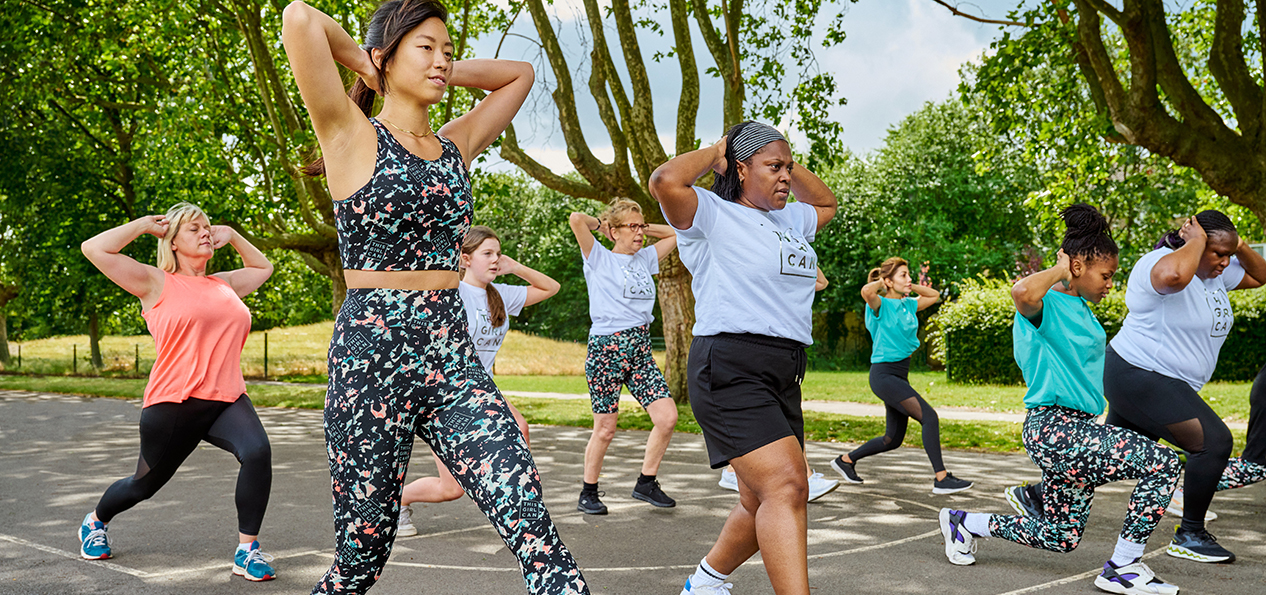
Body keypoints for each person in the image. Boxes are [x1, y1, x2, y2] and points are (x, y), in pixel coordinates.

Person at [281, 1, 588, 593]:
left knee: (528, 511)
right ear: (387, 54)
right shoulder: (349, 131)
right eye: (427, 47)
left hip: (450, 354)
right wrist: (370, 65)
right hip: (371, 356)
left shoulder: (454, 145)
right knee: (361, 558)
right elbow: (299, 18)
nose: (443, 61)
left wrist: (437, 66)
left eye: (448, 50)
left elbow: (519, 73)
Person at [939, 204, 1181, 595]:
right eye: (1106, 275)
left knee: (1059, 536)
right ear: (1080, 267)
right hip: (1053, 427)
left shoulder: (1082, 308)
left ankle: (965, 523)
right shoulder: (1046, 304)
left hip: (1080, 429)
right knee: (1162, 462)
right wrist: (1062, 266)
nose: (1109, 284)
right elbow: (1021, 292)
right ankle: (1123, 566)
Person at [1005, 210, 1266, 564]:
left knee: (1104, 458)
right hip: (1140, 374)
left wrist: (1237, 245)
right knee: (1213, 442)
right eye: (1217, 252)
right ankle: (1188, 533)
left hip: (1156, 380)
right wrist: (1198, 240)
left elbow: (1261, 274)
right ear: (1196, 244)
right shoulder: (1160, 261)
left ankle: (1040, 495)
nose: (1224, 260)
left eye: (1227, 253)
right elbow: (1174, 276)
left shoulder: (1216, 275)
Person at [650, 121, 837, 595]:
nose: (785, 177)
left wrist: (782, 164)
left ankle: (706, 582)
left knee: (760, 499)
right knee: (788, 487)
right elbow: (664, 181)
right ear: (739, 167)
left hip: (785, 369)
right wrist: (718, 150)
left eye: (788, 169)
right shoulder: (710, 213)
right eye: (773, 167)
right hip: (730, 364)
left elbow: (827, 204)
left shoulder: (790, 220)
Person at [78, 202, 277, 581]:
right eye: (194, 229)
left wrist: (232, 235)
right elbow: (94, 249)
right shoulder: (154, 282)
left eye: (208, 227)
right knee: (143, 485)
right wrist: (142, 225)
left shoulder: (225, 283)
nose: (206, 232)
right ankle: (95, 521)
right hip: (174, 403)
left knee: (257, 452)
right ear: (171, 242)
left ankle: (247, 550)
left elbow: (263, 268)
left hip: (227, 399)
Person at [396, 225, 559, 536]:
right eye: (487, 254)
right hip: (445, 394)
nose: (495, 259)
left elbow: (551, 287)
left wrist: (516, 267)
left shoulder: (501, 296)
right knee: (451, 489)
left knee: (519, 429)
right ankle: (398, 501)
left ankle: (516, 504)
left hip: (482, 391)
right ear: (465, 259)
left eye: (498, 254)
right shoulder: (451, 293)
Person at [567, 198, 679, 514]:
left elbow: (674, 235)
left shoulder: (645, 259)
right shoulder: (598, 257)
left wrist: (642, 226)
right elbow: (576, 218)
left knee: (667, 417)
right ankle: (588, 492)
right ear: (614, 231)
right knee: (605, 428)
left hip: (640, 348)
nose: (640, 232)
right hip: (607, 349)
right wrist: (601, 226)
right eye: (632, 227)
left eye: (641, 226)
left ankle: (646, 482)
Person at [829, 257, 971, 494]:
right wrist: (882, 283)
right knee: (929, 417)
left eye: (908, 274)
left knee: (892, 439)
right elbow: (866, 291)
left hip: (899, 375)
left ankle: (846, 461)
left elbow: (934, 295)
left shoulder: (908, 305)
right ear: (888, 281)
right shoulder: (879, 305)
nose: (909, 278)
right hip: (884, 375)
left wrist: (909, 286)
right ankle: (941, 478)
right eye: (903, 275)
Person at [718, 269, 838, 502]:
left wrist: (797, 250)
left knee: (786, 419)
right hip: (753, 350)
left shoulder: (785, 276)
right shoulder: (755, 277)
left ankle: (734, 472)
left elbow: (821, 281)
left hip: (785, 353)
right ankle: (804, 474)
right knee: (775, 423)